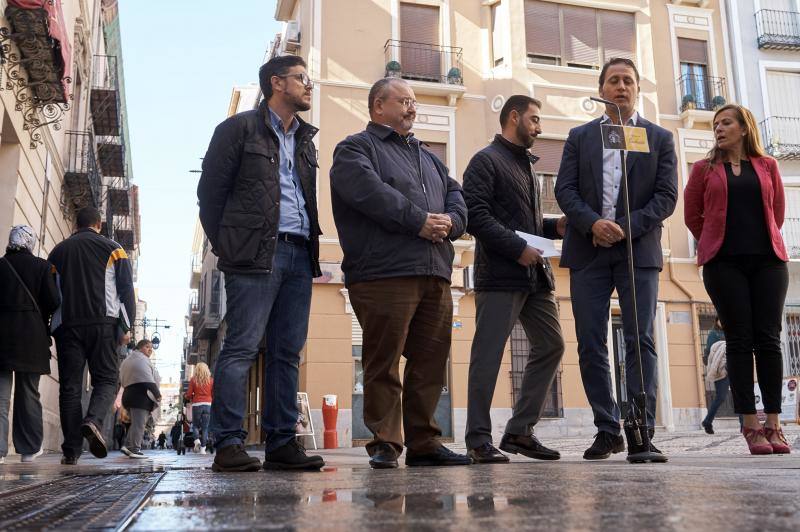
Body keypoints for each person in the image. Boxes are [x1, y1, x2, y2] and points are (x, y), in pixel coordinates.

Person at [330, 77, 470, 469]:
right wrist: (419, 221)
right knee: (383, 359)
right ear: (378, 106)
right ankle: (386, 443)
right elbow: (370, 193)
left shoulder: (428, 156)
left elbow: (457, 195)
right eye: (404, 101)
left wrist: (451, 224)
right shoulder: (355, 148)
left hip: (435, 272)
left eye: (414, 102)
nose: (413, 107)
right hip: (383, 272)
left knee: (429, 360)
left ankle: (425, 442)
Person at [198, 55, 324, 472]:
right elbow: (210, 195)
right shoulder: (237, 130)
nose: (310, 85)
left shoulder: (306, 141)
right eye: (302, 78)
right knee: (240, 348)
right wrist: (230, 245)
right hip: (253, 254)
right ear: (276, 82)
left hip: (299, 253)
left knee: (287, 352)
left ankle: (283, 442)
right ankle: (229, 443)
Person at [554, 58, 678, 461]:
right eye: (613, 81)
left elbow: (666, 197)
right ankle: (607, 429)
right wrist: (593, 224)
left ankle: (641, 431)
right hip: (588, 251)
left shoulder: (658, 138)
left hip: (636, 250)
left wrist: (625, 226)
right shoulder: (579, 137)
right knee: (591, 343)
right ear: (601, 89)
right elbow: (565, 190)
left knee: (639, 338)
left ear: (637, 89)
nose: (620, 87)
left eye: (628, 81)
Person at [462, 95, 567, 463]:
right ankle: (477, 439)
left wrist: (557, 226)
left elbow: (530, 224)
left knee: (552, 345)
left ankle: (520, 431)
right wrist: (515, 248)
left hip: (535, 277)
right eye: (534, 120)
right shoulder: (485, 160)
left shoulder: (526, 167)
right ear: (513, 117)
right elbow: (475, 215)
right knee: (487, 357)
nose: (539, 128)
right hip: (501, 274)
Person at [684, 104, 791, 455]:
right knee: (740, 340)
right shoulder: (703, 169)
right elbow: (692, 215)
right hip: (724, 264)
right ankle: (750, 424)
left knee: (769, 340)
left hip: (768, 262)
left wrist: (761, 241)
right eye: (715, 124)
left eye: (726, 122)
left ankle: (774, 423)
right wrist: (716, 241)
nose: (718, 128)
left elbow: (777, 213)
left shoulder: (768, 166)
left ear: (744, 128)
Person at [48, 207, 136, 464]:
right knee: (107, 380)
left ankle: (71, 451)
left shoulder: (58, 251)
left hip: (68, 326)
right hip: (103, 324)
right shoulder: (115, 250)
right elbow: (126, 291)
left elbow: (52, 293)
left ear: (76, 224)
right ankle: (93, 421)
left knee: (70, 388)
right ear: (99, 224)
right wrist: (125, 328)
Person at [0, 225, 60, 464]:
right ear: (30, 243)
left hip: (1, 339)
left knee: (0, 397)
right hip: (31, 339)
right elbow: (54, 302)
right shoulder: (42, 267)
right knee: (28, 394)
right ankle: (28, 449)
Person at [118, 339, 161, 459]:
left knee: (135, 424)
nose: (150, 349)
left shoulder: (128, 360)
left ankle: (127, 446)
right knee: (139, 424)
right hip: (140, 397)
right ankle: (135, 449)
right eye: (147, 347)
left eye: (151, 348)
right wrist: (157, 394)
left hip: (128, 394)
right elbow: (148, 380)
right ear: (140, 347)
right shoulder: (141, 360)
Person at [701, 319, 727, 434]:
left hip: (733, 367)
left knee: (739, 396)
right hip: (720, 369)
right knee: (720, 397)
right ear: (716, 321)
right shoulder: (713, 334)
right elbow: (710, 352)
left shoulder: (730, 332)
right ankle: (707, 421)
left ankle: (743, 425)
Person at [186, 362, 213, 455]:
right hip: (208, 404)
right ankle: (203, 449)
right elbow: (214, 393)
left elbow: (189, 394)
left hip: (197, 404)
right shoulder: (211, 380)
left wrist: (189, 396)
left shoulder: (193, 380)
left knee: (195, 425)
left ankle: (197, 440)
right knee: (205, 428)